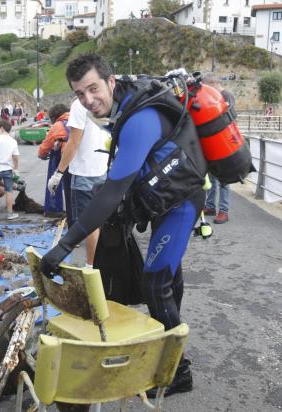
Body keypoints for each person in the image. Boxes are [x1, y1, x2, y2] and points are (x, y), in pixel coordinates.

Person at [41, 53, 207, 396]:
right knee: (167, 276)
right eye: (80, 93)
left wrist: (64, 245)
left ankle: (179, 371)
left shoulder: (138, 119)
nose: (88, 100)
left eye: (93, 88)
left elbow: (112, 192)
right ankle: (167, 340)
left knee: (156, 280)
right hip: (164, 197)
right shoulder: (124, 105)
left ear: (111, 81)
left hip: (180, 203)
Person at [47, 97, 109, 268]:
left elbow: (74, 143)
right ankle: (99, 263)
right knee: (100, 220)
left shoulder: (79, 104)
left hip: (83, 172)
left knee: (88, 223)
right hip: (104, 169)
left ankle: (90, 265)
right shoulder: (106, 99)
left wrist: (58, 173)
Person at [201, 73, 234, 224]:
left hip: (225, 143)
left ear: (213, 83)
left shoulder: (226, 95)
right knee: (213, 177)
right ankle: (210, 206)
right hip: (215, 142)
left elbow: (228, 117)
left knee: (224, 180)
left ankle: (223, 211)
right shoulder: (216, 96)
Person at [38, 103, 70, 217]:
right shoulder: (76, 120)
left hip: (62, 157)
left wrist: (41, 154)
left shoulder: (57, 125)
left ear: (53, 117)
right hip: (78, 159)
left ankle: (54, 209)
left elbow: (45, 146)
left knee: (54, 184)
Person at [0, 120, 20, 220]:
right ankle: (10, 214)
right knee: (9, 191)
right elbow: (16, 157)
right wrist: (15, 168)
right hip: (8, 168)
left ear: (1, 128)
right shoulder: (13, 141)